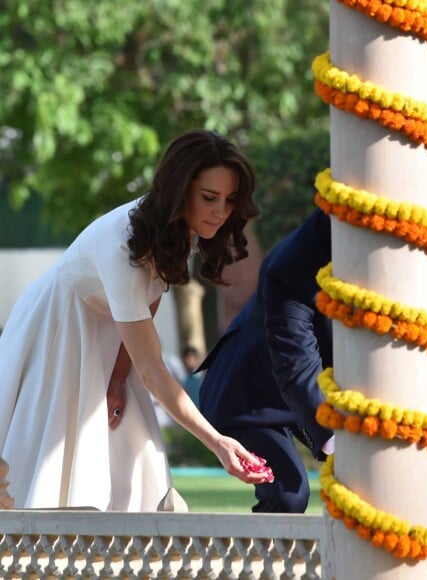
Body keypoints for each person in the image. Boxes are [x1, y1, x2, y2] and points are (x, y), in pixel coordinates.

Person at [0, 129, 273, 511]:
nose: (220, 212)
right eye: (209, 198)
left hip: (112, 332)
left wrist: (115, 378)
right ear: (180, 191)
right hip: (60, 329)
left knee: (132, 443)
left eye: (229, 201)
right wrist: (218, 442)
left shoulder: (179, 231)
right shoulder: (125, 246)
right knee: (50, 461)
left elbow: (152, 298)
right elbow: (153, 369)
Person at [198, 208, 334, 513]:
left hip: (298, 394)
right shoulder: (291, 267)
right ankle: (255, 562)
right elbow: (296, 361)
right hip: (246, 397)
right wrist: (336, 439)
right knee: (288, 493)